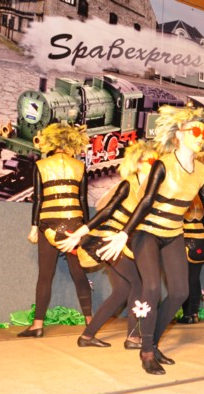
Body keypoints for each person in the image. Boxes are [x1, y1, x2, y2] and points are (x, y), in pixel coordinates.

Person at [84, 106, 204, 375]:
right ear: (179, 134)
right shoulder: (163, 165)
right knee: (152, 288)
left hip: (173, 234)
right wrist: (124, 233)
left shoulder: (202, 172)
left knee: (180, 292)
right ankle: (146, 351)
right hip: (146, 233)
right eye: (195, 130)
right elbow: (145, 201)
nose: (200, 136)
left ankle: (152, 343)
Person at [60, 141, 159, 349]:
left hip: (118, 244)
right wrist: (81, 232)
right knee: (138, 283)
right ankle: (133, 338)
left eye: (156, 161)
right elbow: (107, 211)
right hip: (107, 240)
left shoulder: (149, 190)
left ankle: (87, 336)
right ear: (137, 163)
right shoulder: (128, 184)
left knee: (122, 291)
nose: (155, 164)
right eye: (151, 160)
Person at [18, 122, 93, 338]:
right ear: (71, 142)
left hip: (48, 225)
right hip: (74, 226)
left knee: (45, 275)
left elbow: (38, 199)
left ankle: (37, 325)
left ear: (50, 141)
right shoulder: (79, 166)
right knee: (78, 273)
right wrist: (86, 228)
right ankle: (90, 322)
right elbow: (82, 199)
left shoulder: (41, 165)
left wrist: (34, 227)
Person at [178, 195, 204, 324]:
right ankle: (194, 313)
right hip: (203, 242)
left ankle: (187, 315)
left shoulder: (183, 195)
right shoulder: (202, 198)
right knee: (194, 278)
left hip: (187, 240)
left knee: (186, 279)